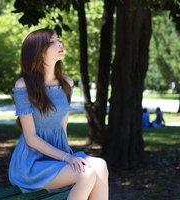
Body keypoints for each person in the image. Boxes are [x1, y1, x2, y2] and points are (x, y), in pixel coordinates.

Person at [8, 28, 109, 200]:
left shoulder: (66, 84)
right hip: (31, 164)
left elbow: (63, 127)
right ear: (38, 51)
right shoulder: (23, 86)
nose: (59, 44)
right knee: (86, 174)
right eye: (52, 42)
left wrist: (67, 158)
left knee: (100, 165)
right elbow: (31, 138)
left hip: (58, 157)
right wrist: (67, 158)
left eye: (58, 40)